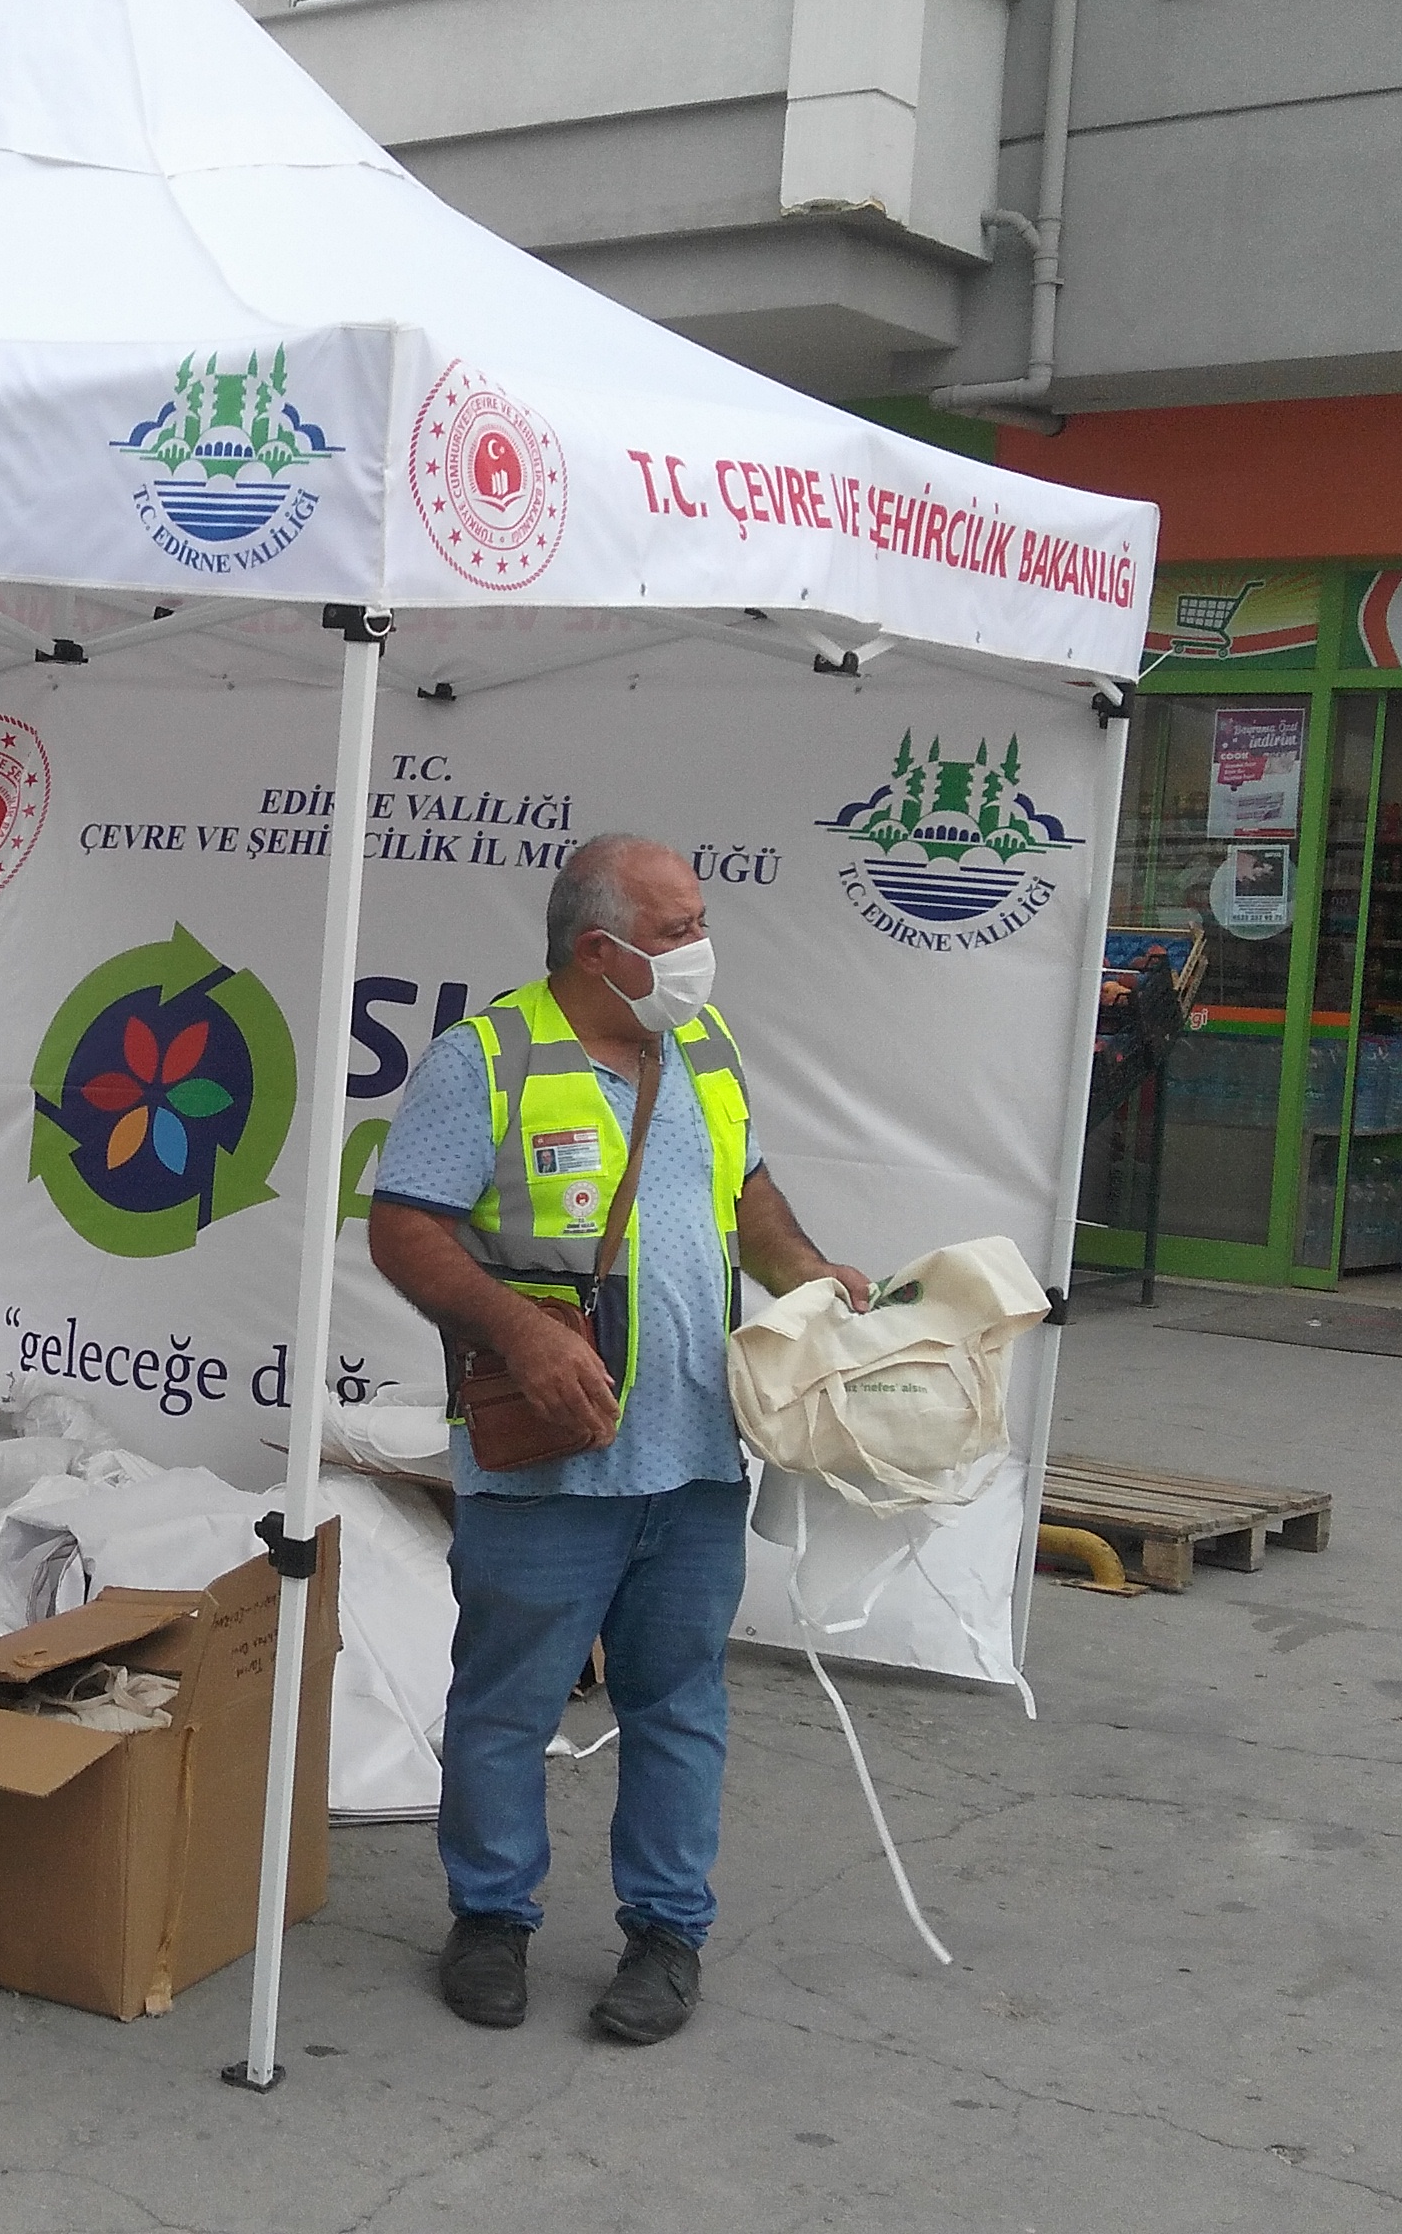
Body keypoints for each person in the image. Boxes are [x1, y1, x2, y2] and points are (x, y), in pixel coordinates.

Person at [363, 835, 868, 2047]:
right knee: (504, 1701)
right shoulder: (481, 1059)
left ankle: (666, 1935)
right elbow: (403, 1230)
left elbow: (743, 1192)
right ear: (603, 950)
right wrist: (519, 1335)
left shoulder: (701, 1044)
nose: (701, 947)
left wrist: (808, 1271)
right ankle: (489, 1917)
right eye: (678, 925)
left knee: (679, 1701)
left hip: (698, 1451)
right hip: (548, 1456)